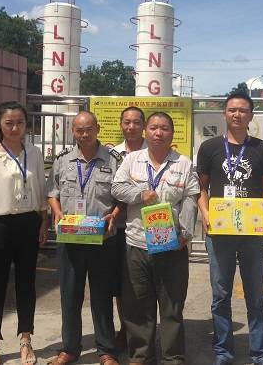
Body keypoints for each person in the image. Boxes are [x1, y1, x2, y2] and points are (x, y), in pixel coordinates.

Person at [111, 112, 200, 365]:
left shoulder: (184, 164)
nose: (158, 133)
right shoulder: (131, 160)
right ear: (146, 132)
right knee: (138, 305)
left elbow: (191, 198)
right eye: (153, 128)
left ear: (172, 133)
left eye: (164, 128)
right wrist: (140, 194)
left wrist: (185, 233)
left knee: (172, 305)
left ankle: (173, 357)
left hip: (172, 245)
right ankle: (141, 356)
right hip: (137, 244)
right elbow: (117, 187)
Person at [196, 92, 263, 365]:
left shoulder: (262, 149)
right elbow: (201, 188)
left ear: (251, 115)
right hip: (220, 233)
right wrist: (205, 213)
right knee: (220, 295)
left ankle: (259, 353)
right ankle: (223, 351)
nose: (237, 114)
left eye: (242, 110)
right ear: (224, 114)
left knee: (256, 296)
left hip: (251, 233)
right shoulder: (209, 148)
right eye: (232, 110)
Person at [0, 101, 48, 365]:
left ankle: (26, 339)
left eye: (19, 123)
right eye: (9, 123)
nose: (15, 128)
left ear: (26, 125)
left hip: (29, 224)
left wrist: (44, 221)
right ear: (0, 124)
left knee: (27, 284)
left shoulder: (34, 153)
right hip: (0, 226)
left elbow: (40, 188)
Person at [46, 111, 121, 365]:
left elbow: (122, 196)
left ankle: (106, 350)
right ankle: (70, 348)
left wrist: (115, 214)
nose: (84, 134)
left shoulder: (113, 160)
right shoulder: (63, 160)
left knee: (102, 296)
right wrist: (57, 212)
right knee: (69, 296)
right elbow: (53, 192)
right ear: (73, 131)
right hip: (71, 239)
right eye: (79, 130)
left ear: (97, 128)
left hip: (102, 239)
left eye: (89, 129)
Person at [111, 106, 147, 350]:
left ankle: (145, 331)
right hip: (118, 227)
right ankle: (125, 328)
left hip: (147, 227)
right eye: (127, 122)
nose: (131, 126)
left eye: (136, 122)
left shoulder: (153, 151)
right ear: (121, 124)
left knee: (145, 284)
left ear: (143, 125)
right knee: (121, 284)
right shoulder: (113, 154)